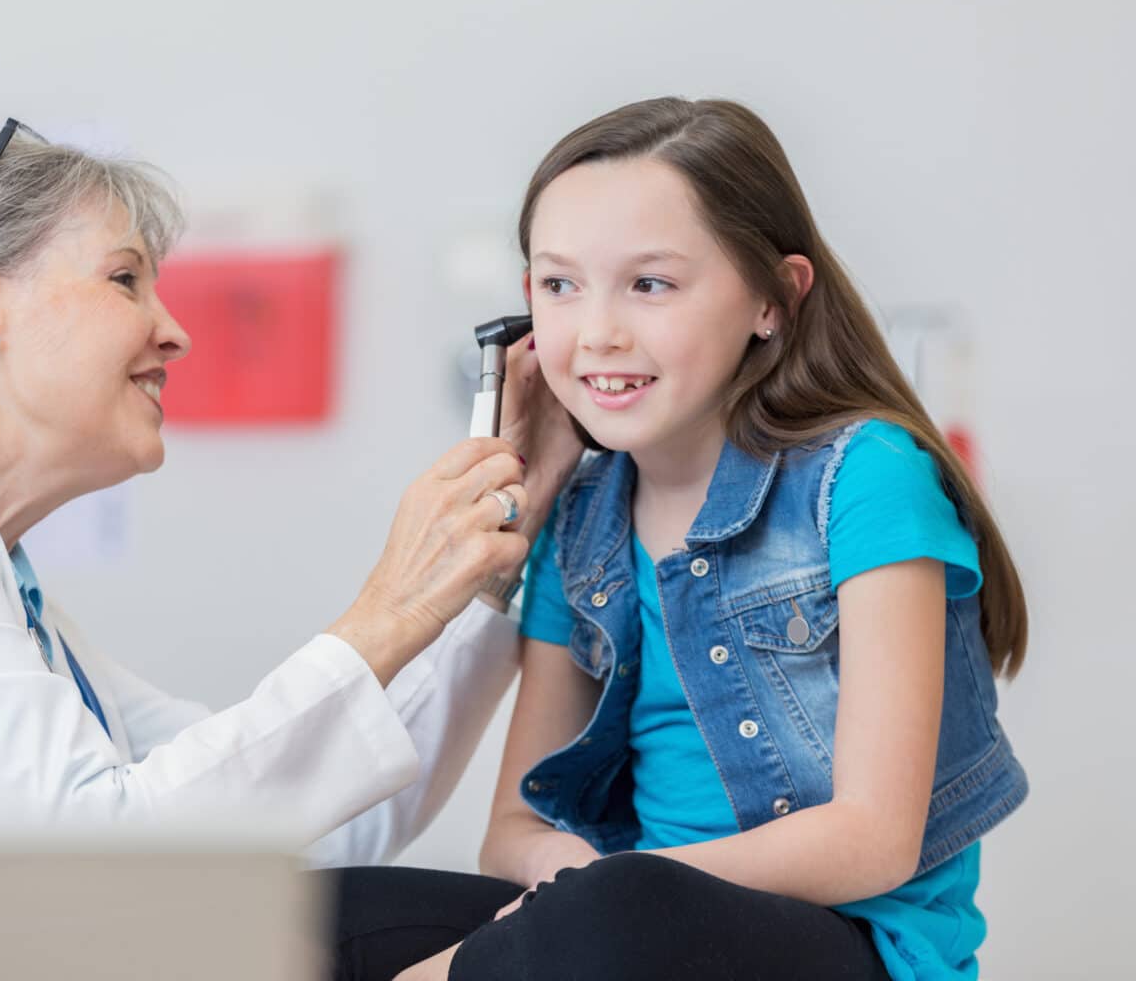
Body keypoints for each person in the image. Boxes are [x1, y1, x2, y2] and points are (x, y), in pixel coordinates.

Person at [0, 119, 580, 866]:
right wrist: (390, 604)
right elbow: (96, 854)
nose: (176, 332)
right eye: (125, 279)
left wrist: (489, 563)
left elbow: (315, 828)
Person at [332, 97, 1029, 980]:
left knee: (618, 910)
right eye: (560, 285)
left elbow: (873, 841)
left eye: (650, 284)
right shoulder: (582, 517)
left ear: (774, 300)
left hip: (851, 944)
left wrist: (595, 891)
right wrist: (563, 882)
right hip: (623, 919)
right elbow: (510, 834)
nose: (598, 333)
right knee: (330, 910)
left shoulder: (865, 476)